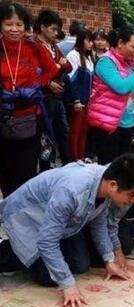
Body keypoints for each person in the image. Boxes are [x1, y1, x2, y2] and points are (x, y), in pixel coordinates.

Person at [0, 154, 134, 307]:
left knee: (80, 265)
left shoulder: (105, 185)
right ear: (113, 185)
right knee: (49, 276)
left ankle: (42, 256)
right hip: (26, 219)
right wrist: (67, 284)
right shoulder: (72, 191)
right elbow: (47, 241)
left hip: (60, 224)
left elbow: (99, 224)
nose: (132, 201)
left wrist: (109, 260)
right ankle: (8, 251)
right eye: (132, 195)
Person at [0, 2, 59, 197]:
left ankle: (21, 212)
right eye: (9, 24)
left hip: (29, 119)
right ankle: (8, 211)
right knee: (5, 171)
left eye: (19, 25)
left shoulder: (34, 48)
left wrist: (36, 85)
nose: (14, 29)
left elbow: (52, 69)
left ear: (26, 26)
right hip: (3, 117)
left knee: (25, 171)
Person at [87, 25, 134, 165]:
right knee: (108, 168)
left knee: (122, 168)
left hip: (128, 123)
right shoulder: (106, 62)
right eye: (133, 46)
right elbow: (121, 87)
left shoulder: (132, 63)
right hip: (108, 124)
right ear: (120, 43)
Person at [34, 9, 73, 168]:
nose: (56, 33)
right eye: (53, 29)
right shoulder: (35, 46)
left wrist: (59, 66)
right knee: (46, 136)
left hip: (58, 97)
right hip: (43, 98)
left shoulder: (54, 46)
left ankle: (67, 165)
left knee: (63, 132)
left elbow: (68, 67)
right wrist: (50, 81)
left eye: (57, 30)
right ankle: (45, 168)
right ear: (43, 27)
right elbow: (35, 72)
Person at [66, 28, 94, 161]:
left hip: (87, 101)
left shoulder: (88, 58)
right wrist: (76, 99)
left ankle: (81, 158)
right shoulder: (73, 55)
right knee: (75, 132)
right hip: (77, 101)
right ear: (82, 40)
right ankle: (74, 159)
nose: (91, 44)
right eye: (89, 41)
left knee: (83, 132)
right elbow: (70, 80)